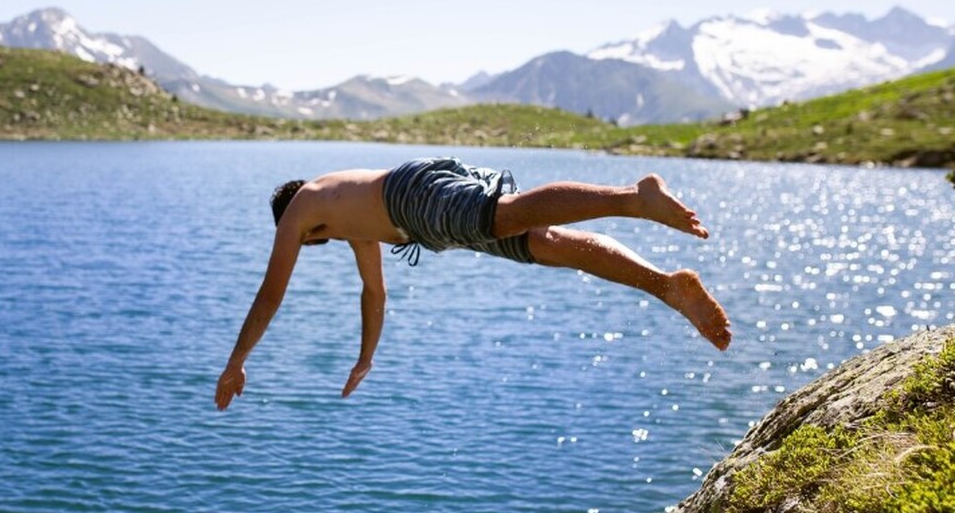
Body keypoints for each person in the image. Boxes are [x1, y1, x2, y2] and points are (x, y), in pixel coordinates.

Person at [214, 156, 731, 411]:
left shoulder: (301, 206)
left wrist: (236, 361)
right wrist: (365, 358)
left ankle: (633, 198)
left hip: (412, 199)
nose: (312, 242)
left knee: (507, 215)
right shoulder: (344, 213)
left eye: (310, 241)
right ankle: (667, 287)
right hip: (422, 212)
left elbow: (271, 292)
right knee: (546, 244)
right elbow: (374, 292)